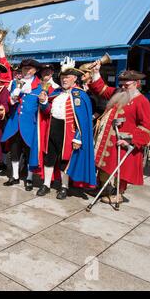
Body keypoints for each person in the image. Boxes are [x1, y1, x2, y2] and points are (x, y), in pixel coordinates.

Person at [88, 62, 150, 204]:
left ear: (136, 84)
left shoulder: (141, 101)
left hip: (123, 142)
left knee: (121, 170)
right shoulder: (118, 93)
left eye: (127, 85)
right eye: (121, 85)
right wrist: (96, 72)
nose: (123, 87)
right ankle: (104, 189)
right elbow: (101, 89)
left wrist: (131, 140)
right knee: (103, 165)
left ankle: (119, 194)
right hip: (107, 140)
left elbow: (147, 126)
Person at [37, 57, 96, 200]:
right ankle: (46, 184)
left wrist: (78, 137)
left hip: (68, 131)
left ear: (74, 78)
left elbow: (82, 121)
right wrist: (44, 102)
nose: (64, 79)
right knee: (49, 157)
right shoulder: (56, 92)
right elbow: (46, 111)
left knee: (65, 160)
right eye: (62, 77)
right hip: (53, 128)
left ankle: (64, 187)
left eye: (67, 77)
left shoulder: (80, 95)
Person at [1, 59, 43, 190]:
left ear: (35, 70)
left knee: (30, 152)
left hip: (30, 125)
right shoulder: (14, 83)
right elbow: (9, 101)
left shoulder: (40, 86)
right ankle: (15, 176)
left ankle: (29, 178)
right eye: (25, 69)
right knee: (14, 151)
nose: (27, 71)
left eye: (30, 69)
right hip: (15, 123)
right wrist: (13, 97)